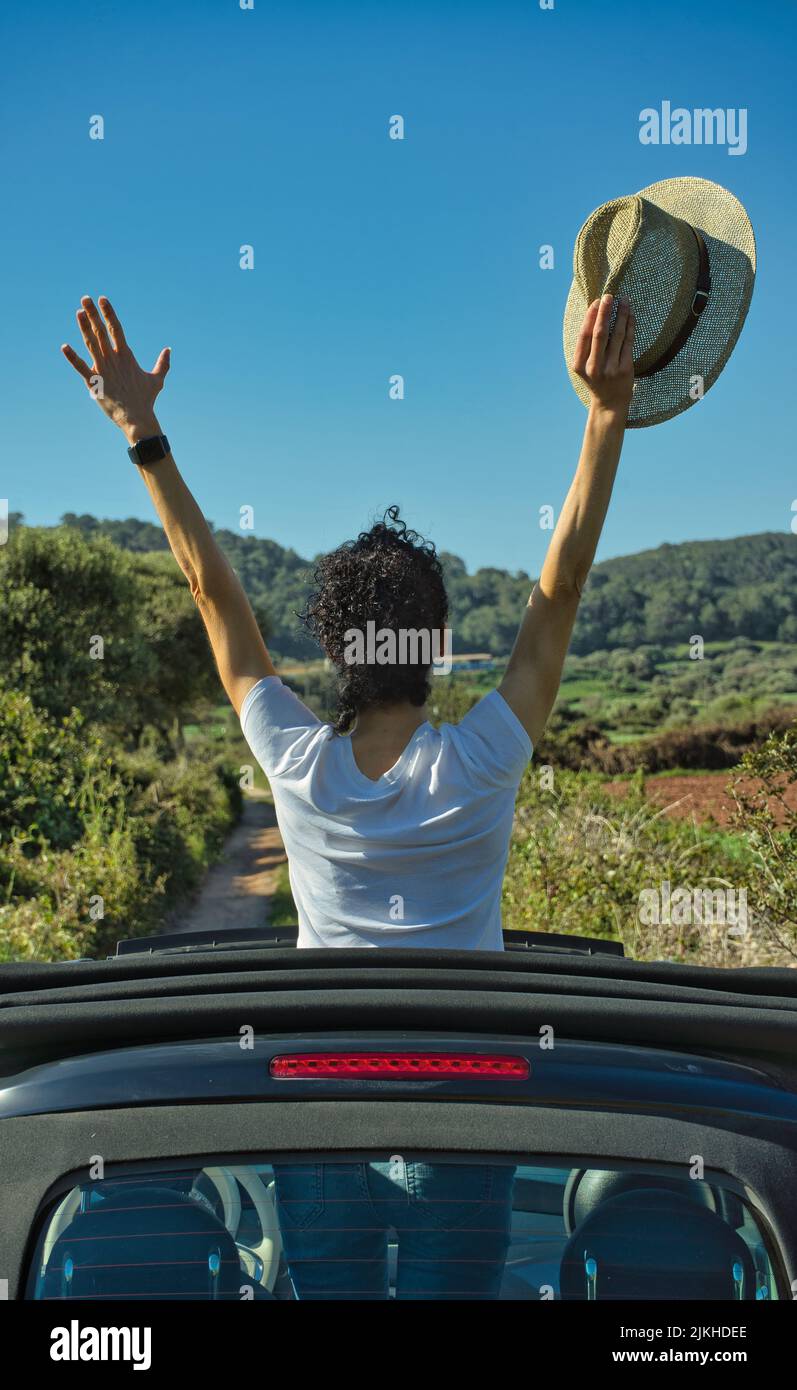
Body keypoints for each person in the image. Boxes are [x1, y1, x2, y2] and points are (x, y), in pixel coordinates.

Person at [61, 290, 635, 1297]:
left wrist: (143, 431)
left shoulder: (296, 760)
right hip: (467, 1110)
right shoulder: (481, 758)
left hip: (321, 1100)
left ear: (333, 647)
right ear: (437, 644)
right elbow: (561, 587)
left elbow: (211, 592)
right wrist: (603, 414)